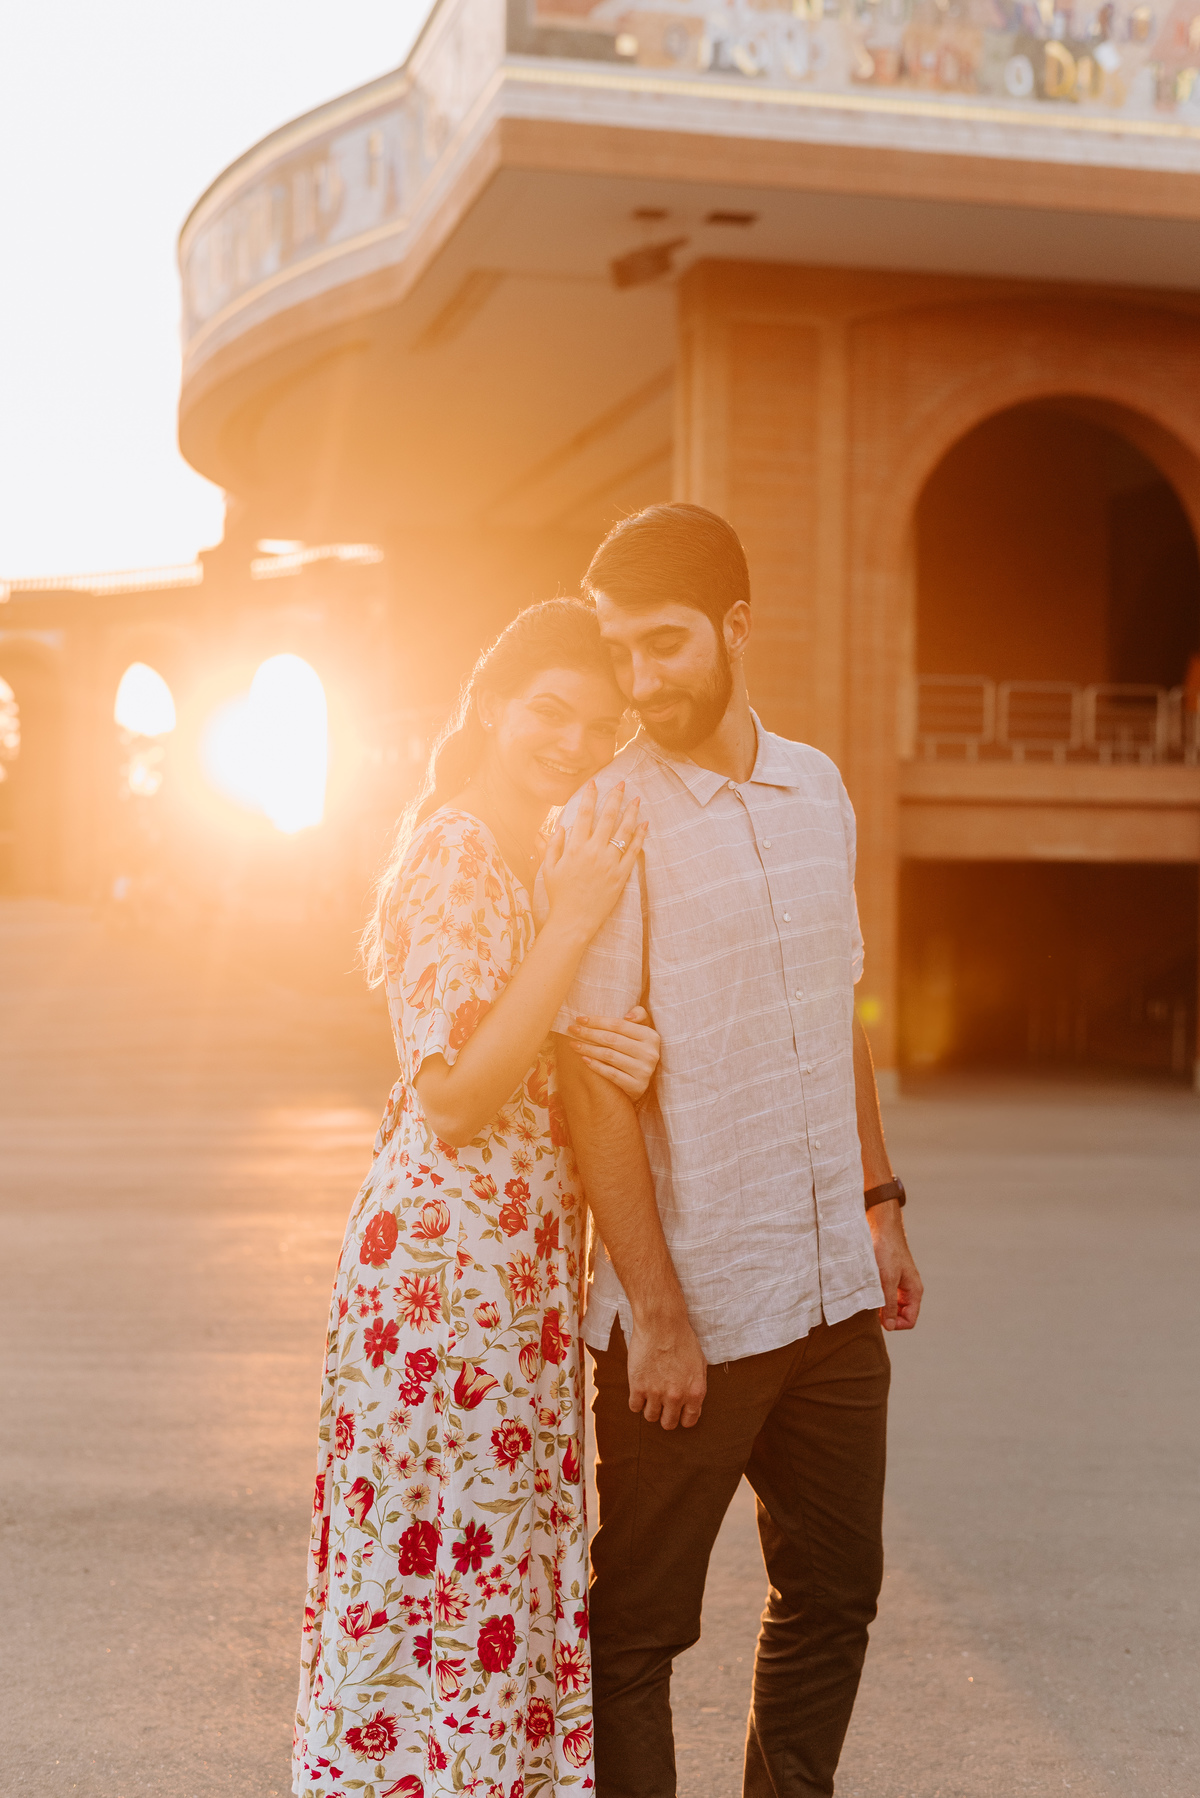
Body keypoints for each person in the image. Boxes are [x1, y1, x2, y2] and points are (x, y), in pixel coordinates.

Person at [545, 503, 925, 1798]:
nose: (641, 680)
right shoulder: (606, 819)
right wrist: (652, 1311)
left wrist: (878, 1200)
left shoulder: (819, 787)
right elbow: (595, 1089)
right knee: (640, 1633)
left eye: (666, 643)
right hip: (690, 1315)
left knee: (834, 1598)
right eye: (619, 650)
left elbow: (844, 1006)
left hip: (828, 1295)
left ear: (737, 628)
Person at [292, 599, 663, 1798]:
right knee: (442, 1559)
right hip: (444, 1270)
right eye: (550, 710)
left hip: (514, 1269)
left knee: (488, 1557)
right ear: (493, 706)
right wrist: (570, 928)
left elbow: (530, 1039)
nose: (572, 740)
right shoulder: (459, 848)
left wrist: (607, 1037)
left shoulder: (533, 850)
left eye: (597, 726)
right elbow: (453, 1092)